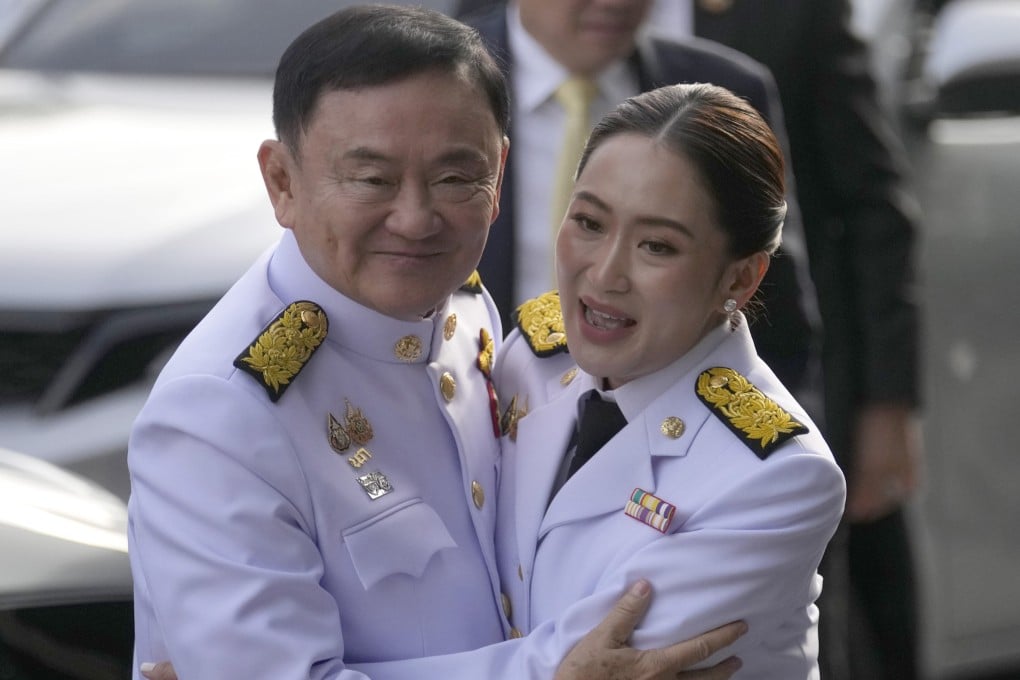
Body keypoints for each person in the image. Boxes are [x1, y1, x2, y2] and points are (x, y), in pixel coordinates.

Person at [127, 5, 747, 680]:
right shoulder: (219, 412)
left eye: (456, 178)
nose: (417, 219)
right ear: (282, 181)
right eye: (372, 180)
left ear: (499, 172)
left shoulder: (462, 309)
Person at [304, 82, 845, 680]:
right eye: (588, 222)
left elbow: (587, 666)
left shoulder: (776, 478)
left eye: (657, 246)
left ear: (740, 279)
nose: (605, 273)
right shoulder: (532, 362)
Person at [624, 3, 927, 678]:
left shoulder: (788, 19)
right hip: (570, 408)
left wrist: (886, 404)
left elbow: (870, 208)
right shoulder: (497, 32)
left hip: (748, 398)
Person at [455, 0, 823, 423]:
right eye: (590, 223)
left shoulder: (726, 91)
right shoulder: (435, 78)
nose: (617, 3)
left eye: (657, 245)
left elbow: (783, 319)